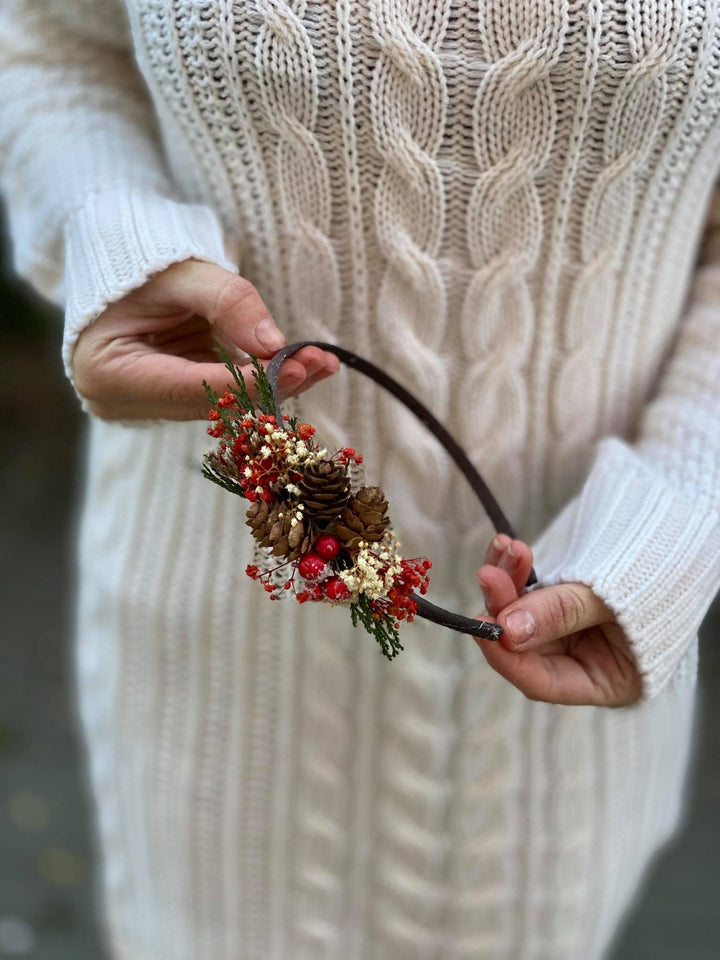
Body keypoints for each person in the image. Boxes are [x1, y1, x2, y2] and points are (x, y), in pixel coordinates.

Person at [1, 1, 718, 957]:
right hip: (210, 678)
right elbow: (48, 47)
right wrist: (115, 232)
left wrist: (677, 515)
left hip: (558, 723)